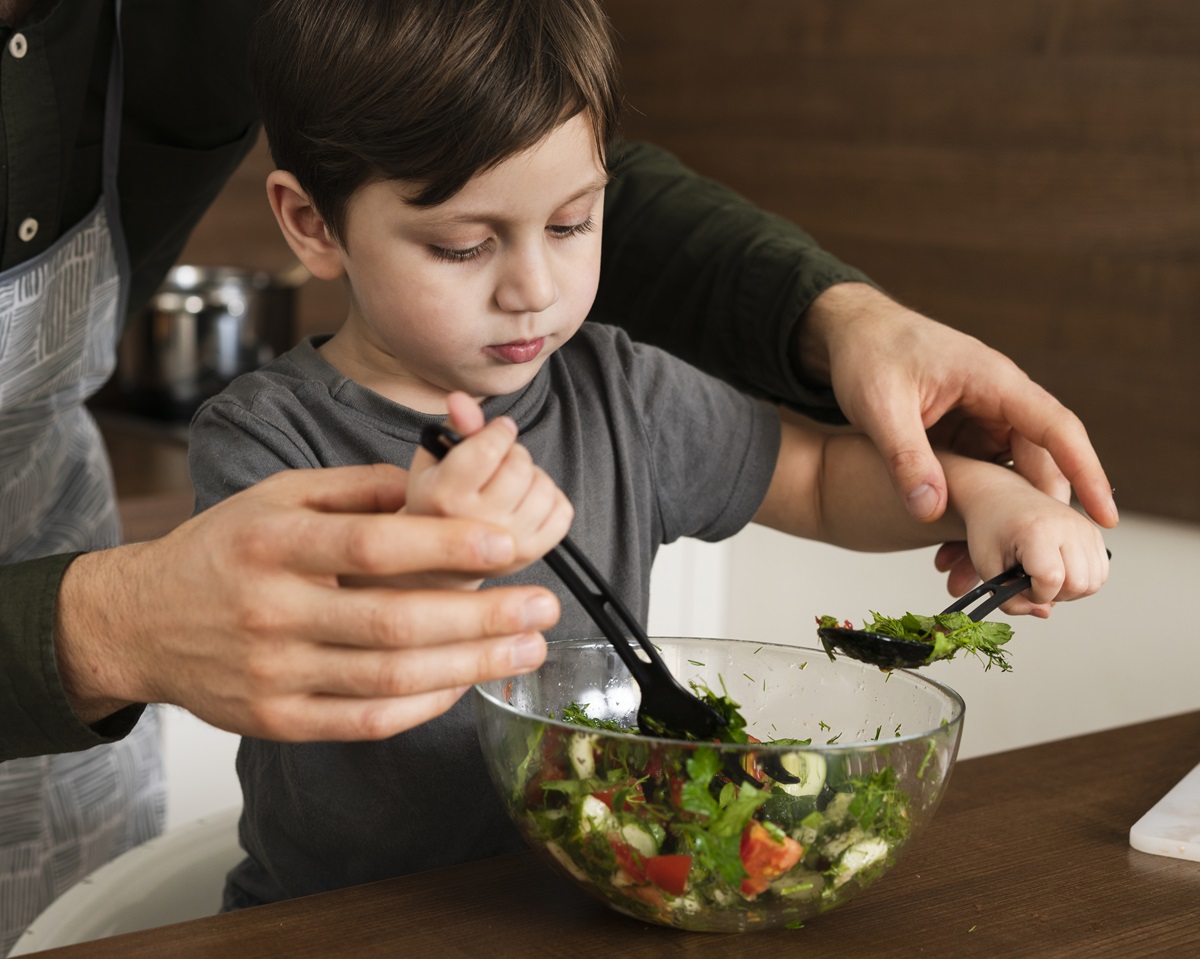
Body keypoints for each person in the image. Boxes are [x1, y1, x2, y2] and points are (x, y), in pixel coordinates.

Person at [0, 0, 1116, 950]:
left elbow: (820, 477)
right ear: (313, 224)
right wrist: (432, 557)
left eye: (574, 222)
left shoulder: (617, 387)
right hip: (340, 920)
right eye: (462, 245)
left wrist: (982, 493)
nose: (533, 286)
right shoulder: (263, 430)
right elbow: (311, 655)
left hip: (579, 903)